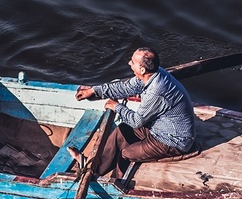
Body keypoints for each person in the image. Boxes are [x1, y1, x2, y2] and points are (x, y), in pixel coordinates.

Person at [71, 47, 197, 178]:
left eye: (132, 62)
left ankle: (116, 182)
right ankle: (95, 168)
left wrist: (117, 107)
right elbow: (126, 87)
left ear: (142, 69)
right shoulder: (152, 74)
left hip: (171, 140)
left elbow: (137, 122)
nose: (129, 63)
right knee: (121, 132)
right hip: (158, 127)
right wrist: (94, 90)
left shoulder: (156, 91)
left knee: (126, 154)